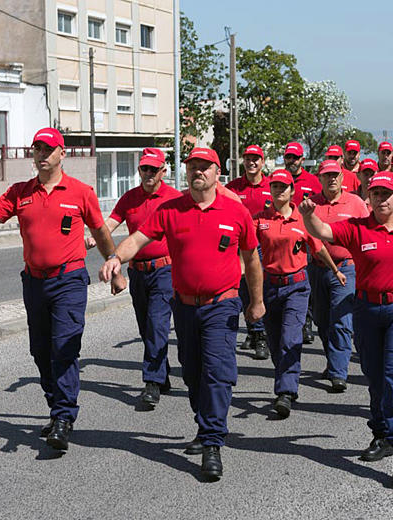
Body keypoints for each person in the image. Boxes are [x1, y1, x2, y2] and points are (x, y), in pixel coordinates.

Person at [0, 127, 117, 450]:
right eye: (37, 148)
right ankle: (56, 407)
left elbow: (101, 232)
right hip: (35, 282)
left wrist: (116, 264)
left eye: (48, 149)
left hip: (69, 280)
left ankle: (64, 417)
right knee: (40, 351)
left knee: (64, 346)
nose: (41, 154)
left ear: (62, 153)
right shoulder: (20, 192)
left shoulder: (81, 192)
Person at [99, 147, 265, 480]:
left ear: (218, 172)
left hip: (223, 304)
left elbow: (251, 261)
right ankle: (205, 425)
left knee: (217, 371)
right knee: (191, 371)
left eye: (204, 167)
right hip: (186, 306)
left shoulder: (236, 213)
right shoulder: (170, 210)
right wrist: (118, 257)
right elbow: (139, 238)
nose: (197, 172)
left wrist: (256, 302)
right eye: (192, 167)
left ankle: (213, 440)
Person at [300, 172, 393, 484]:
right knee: (375, 376)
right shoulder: (357, 229)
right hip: (368, 309)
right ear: (368, 199)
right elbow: (323, 231)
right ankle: (382, 434)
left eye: (388, 194)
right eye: (376, 194)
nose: (382, 199)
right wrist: (308, 216)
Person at [254, 169, 342, 417]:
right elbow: (247, 249)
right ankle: (286, 377)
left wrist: (336, 271)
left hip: (297, 286)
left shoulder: (302, 221)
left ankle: (286, 392)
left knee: (290, 337)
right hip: (269, 286)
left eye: (284, 187)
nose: (279, 190)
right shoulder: (260, 219)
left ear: (292, 190)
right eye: (275, 186)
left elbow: (319, 248)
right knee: (274, 342)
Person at [98, 147, 180, 409]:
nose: (148, 173)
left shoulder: (174, 198)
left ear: (163, 171)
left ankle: (152, 382)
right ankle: (162, 372)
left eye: (153, 169)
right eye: (144, 169)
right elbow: (110, 224)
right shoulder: (129, 198)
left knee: (157, 324)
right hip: (138, 271)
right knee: (146, 326)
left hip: (165, 270)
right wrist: (94, 238)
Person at [309, 159, 369, 392]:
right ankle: (334, 359)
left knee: (342, 321)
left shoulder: (354, 203)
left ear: (343, 177)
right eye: (327, 175)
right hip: (317, 268)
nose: (332, 178)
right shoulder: (311, 204)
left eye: (336, 174)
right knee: (322, 320)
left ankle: (338, 372)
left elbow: (366, 233)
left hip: (346, 268)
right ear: (320, 178)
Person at [227, 144, 272, 359]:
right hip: (240, 249)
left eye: (256, 159)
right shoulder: (233, 187)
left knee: (261, 290)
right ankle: (256, 332)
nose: (252, 162)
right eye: (248, 158)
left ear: (262, 162)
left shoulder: (273, 186)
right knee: (245, 292)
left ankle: (261, 333)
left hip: (266, 248)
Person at [282, 142, 322, 344]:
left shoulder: (313, 181)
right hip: (282, 238)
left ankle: (306, 321)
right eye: (288, 157)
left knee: (305, 281)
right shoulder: (279, 180)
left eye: (295, 158)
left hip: (305, 237)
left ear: (302, 159)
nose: (291, 161)